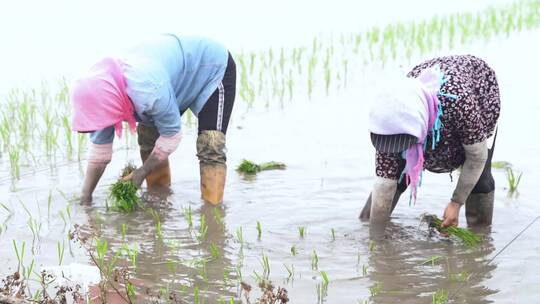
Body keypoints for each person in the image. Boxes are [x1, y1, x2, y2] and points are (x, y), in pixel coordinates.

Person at [71, 34, 236, 205]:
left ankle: (212, 214)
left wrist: (142, 172)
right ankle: (159, 201)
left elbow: (171, 136)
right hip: (167, 78)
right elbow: (99, 154)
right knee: (149, 139)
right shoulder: (100, 98)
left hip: (210, 67)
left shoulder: (149, 93)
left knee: (211, 144)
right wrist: (86, 197)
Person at [359, 55, 500, 239]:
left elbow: (477, 156)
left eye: (406, 140)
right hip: (418, 114)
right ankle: (366, 225)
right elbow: (384, 184)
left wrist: (456, 203)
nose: (397, 148)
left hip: (474, 94)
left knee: (479, 176)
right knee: (398, 171)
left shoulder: (461, 102)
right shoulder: (387, 118)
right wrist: (375, 245)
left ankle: (481, 238)